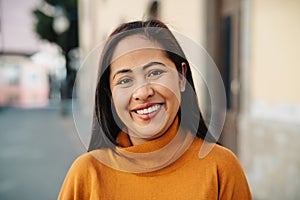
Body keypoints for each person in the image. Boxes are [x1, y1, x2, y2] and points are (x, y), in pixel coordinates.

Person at [58, 19, 252, 199]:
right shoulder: (86, 174)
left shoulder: (221, 167)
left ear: (181, 77)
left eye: (155, 72)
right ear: (110, 95)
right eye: (125, 80)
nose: (142, 92)